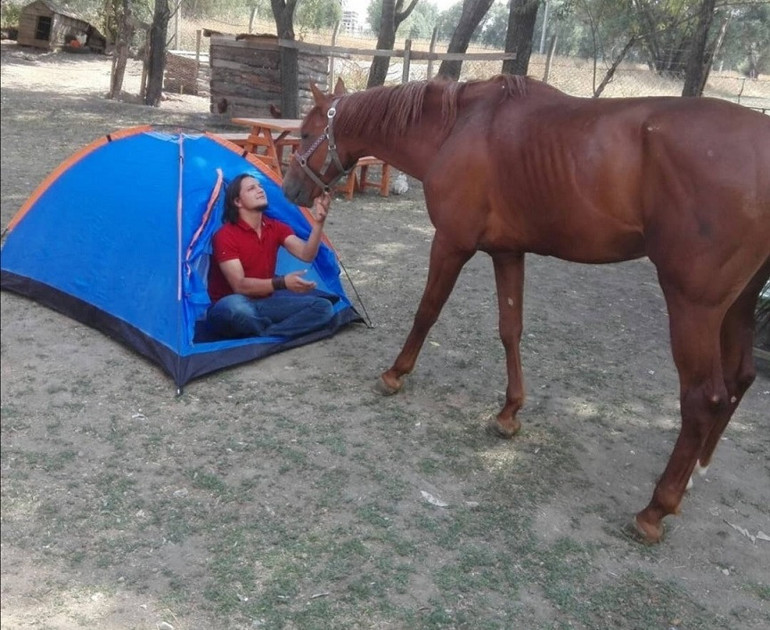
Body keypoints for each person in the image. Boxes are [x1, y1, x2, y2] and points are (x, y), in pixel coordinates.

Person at [206, 173, 335, 338]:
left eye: (260, 186)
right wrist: (282, 283)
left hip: (264, 303)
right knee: (237, 309)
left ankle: (267, 333)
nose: (260, 190)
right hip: (229, 304)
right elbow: (240, 285)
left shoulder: (275, 227)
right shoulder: (225, 235)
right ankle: (274, 329)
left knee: (323, 307)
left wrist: (318, 223)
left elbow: (306, 254)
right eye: (252, 188)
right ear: (237, 201)